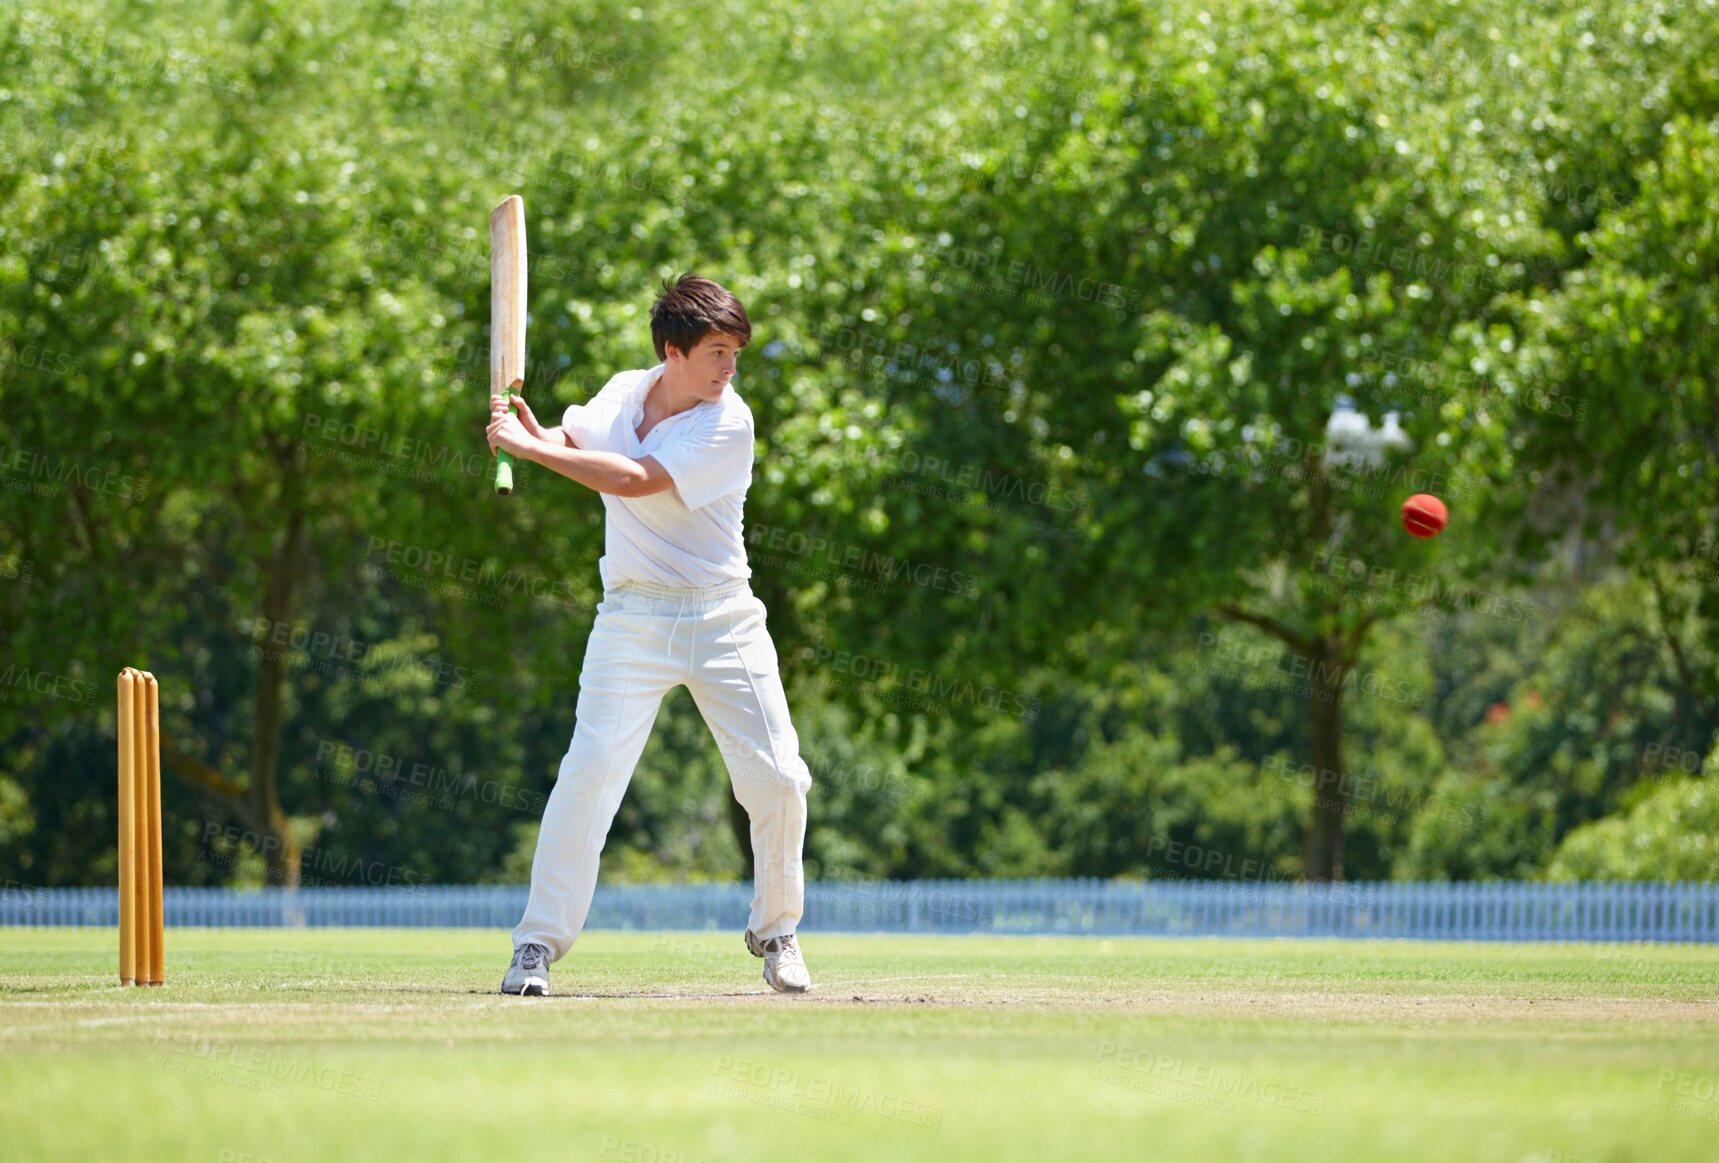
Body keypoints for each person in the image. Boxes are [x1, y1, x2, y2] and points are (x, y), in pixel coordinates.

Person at [484, 273, 813, 996]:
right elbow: (577, 438)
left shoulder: (729, 423)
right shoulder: (621, 392)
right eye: (718, 353)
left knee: (780, 776)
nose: (730, 369)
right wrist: (533, 434)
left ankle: (776, 931)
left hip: (723, 615)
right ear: (673, 351)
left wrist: (531, 452)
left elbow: (631, 478)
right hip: (632, 616)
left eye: (736, 353)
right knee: (589, 771)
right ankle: (535, 945)